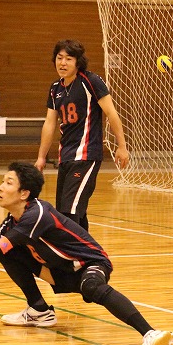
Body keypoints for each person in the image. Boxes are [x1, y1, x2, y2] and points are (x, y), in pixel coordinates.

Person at [0, 162, 173, 345]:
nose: (0, 187)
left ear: (24, 193)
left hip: (91, 264)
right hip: (61, 272)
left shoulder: (37, 214)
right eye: (3, 181)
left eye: (8, 182)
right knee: (7, 253)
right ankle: (39, 310)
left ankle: (150, 333)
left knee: (91, 286)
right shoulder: (10, 223)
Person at [35, 40, 129, 230]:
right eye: (59, 58)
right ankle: (86, 248)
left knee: (69, 212)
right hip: (66, 156)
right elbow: (50, 123)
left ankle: (71, 249)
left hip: (86, 155)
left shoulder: (90, 81)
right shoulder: (55, 88)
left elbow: (111, 113)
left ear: (78, 62)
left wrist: (122, 146)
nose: (63, 63)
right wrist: (41, 157)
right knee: (72, 211)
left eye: (68, 59)